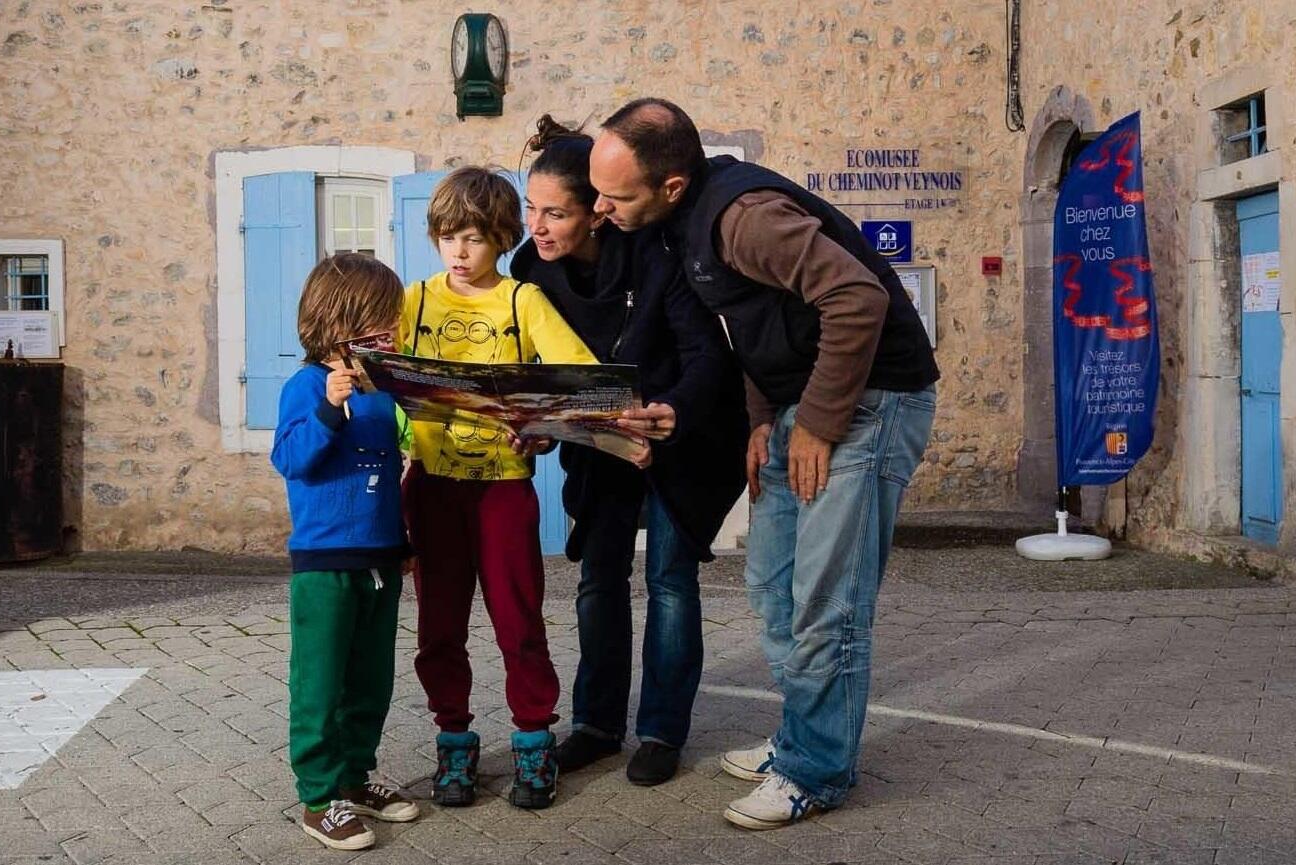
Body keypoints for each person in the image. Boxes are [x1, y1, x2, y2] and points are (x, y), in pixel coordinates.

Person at [592, 98, 940, 830]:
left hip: (870, 403)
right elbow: (756, 321)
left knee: (827, 601)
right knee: (773, 579)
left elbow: (854, 297)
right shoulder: (683, 225)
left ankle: (813, 769)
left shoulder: (744, 215)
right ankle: (798, 738)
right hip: (797, 407)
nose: (600, 207)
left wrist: (816, 421)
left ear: (671, 185)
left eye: (615, 196)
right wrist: (762, 419)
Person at [505, 116, 746, 787]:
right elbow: (530, 373)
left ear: (596, 215)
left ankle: (662, 730)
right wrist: (533, 420)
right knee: (597, 581)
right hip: (599, 450)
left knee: (669, 579)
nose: (538, 226)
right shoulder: (529, 275)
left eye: (555, 212)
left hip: (679, 439)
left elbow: (706, 357)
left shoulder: (656, 256)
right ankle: (594, 725)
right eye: (531, 209)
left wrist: (667, 413)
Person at [399, 166, 599, 810]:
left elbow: (584, 380)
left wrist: (540, 429)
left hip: (504, 490)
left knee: (519, 622)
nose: (460, 251)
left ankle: (534, 743)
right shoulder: (414, 300)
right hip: (432, 488)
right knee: (439, 626)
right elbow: (376, 375)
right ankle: (454, 743)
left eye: (476, 238)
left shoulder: (523, 301)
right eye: (448, 236)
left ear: (503, 238)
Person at [270, 253, 425, 851]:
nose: (391, 332)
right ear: (340, 321)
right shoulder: (305, 387)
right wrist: (329, 410)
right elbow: (291, 460)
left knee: (371, 679)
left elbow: (390, 475)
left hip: (381, 559)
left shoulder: (384, 395)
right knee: (320, 681)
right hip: (324, 564)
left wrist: (403, 542)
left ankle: (356, 779)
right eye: (381, 321)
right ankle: (317, 795)